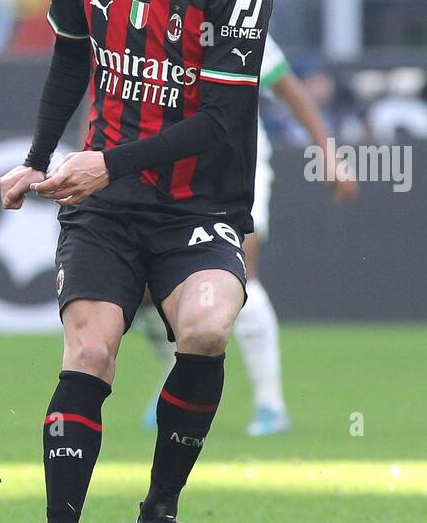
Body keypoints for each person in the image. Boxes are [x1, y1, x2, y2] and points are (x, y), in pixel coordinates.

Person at [0, 0, 274, 523]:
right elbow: (70, 64)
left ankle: (158, 518)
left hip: (198, 205)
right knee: (90, 351)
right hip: (109, 210)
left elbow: (222, 121)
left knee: (211, 329)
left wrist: (107, 163)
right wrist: (36, 159)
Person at [139, 34, 358, 437]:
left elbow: (289, 89)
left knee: (239, 267)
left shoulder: (237, 7)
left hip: (233, 157)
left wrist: (328, 154)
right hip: (164, 156)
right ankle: (172, 376)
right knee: (149, 284)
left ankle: (270, 403)